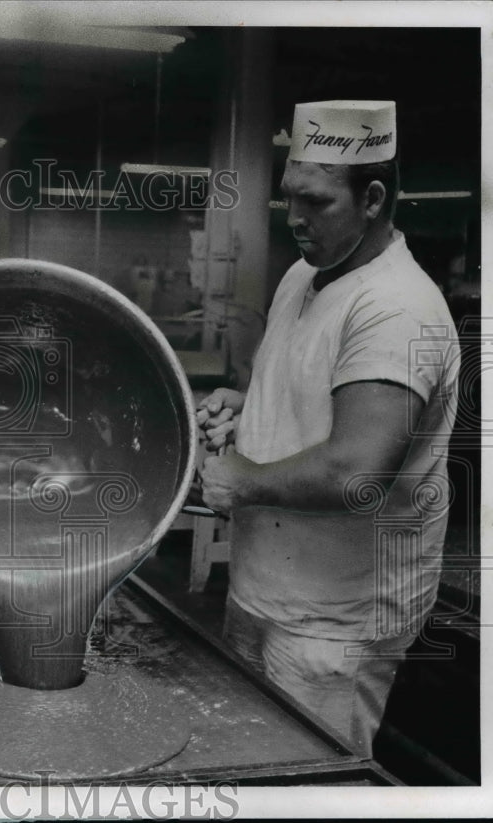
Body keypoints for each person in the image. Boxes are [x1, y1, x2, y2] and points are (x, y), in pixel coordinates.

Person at [197, 100, 459, 755]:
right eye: (289, 198)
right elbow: (296, 380)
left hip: (335, 620)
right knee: (246, 763)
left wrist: (243, 478)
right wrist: (246, 401)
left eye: (316, 202)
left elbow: (356, 470)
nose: (295, 219)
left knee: (306, 781)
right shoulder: (304, 275)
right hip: (266, 591)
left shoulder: (396, 307)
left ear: (372, 198)